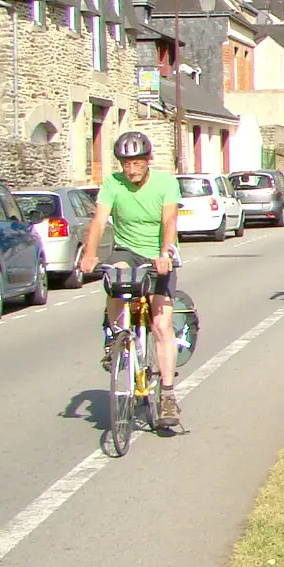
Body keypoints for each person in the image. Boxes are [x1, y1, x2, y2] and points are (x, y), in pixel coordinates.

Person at [78, 130, 183, 429]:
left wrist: (165, 253)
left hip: (158, 256)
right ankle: (115, 338)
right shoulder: (113, 183)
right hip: (127, 250)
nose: (131, 170)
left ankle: (167, 395)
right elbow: (99, 220)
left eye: (137, 163)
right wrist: (89, 254)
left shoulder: (165, 182)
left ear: (148, 161)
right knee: (116, 276)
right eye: (126, 164)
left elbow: (169, 221)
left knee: (161, 324)